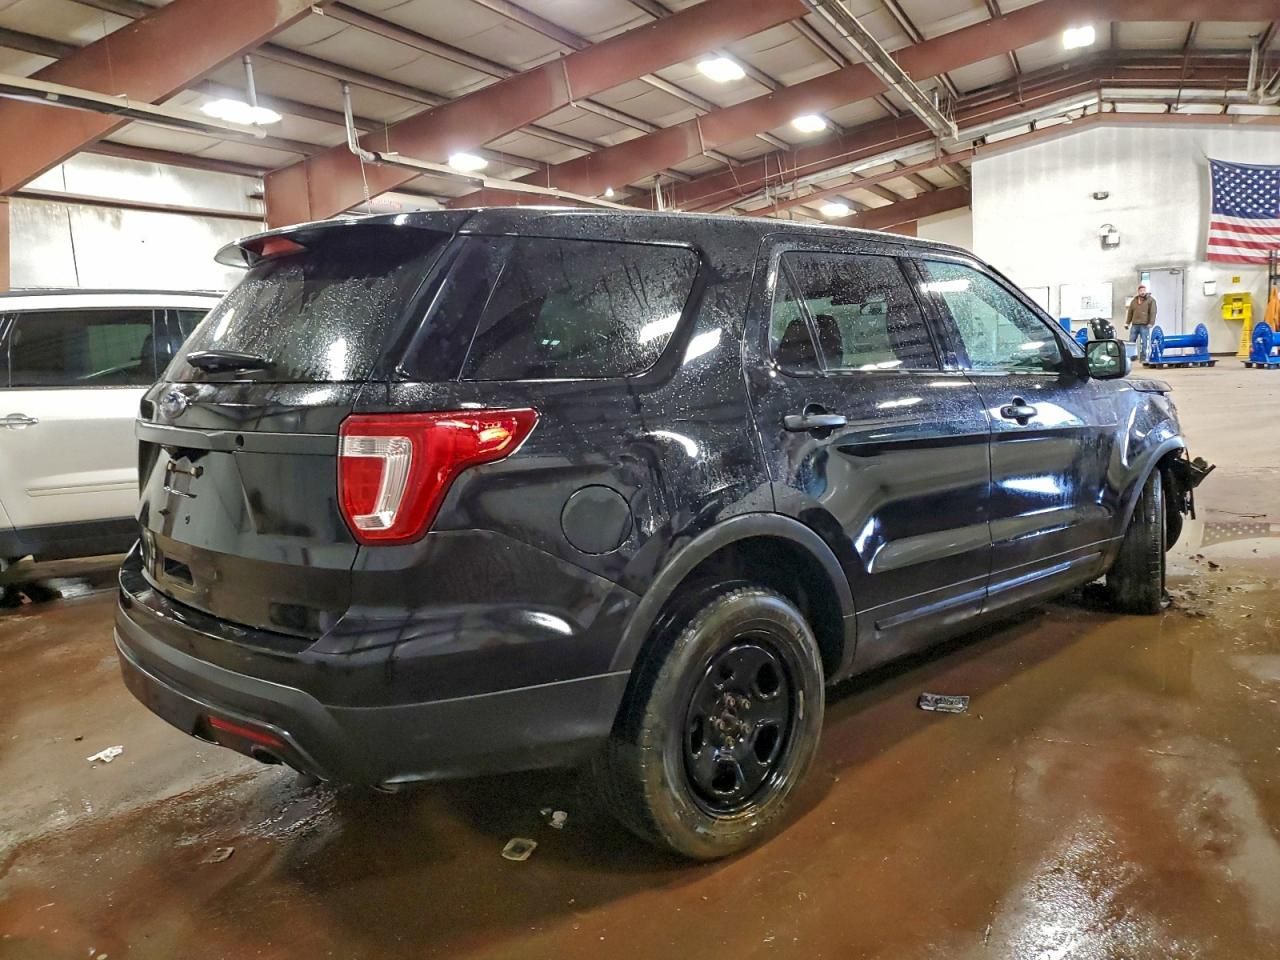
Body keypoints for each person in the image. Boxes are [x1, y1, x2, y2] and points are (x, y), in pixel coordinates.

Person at [1125, 283, 1156, 361]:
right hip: (1135, 324)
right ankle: (1130, 357)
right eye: (1141, 290)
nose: (1142, 292)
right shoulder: (1134, 301)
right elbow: (1130, 312)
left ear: (1146, 291)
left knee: (1145, 342)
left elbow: (1153, 312)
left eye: (1144, 290)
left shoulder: (1151, 300)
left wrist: (1151, 323)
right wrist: (1127, 323)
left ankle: (1144, 357)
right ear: (1138, 291)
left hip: (1145, 325)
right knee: (1131, 342)